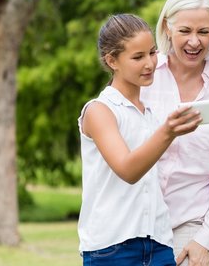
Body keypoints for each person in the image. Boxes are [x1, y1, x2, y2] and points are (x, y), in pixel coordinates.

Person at [78, 14, 202, 265]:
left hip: (158, 244)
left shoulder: (150, 113)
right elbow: (128, 169)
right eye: (138, 57)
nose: (150, 63)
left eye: (152, 52)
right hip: (111, 248)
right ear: (112, 60)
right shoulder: (100, 111)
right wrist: (168, 132)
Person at [141, 0, 209, 266]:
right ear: (166, 28)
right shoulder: (144, 78)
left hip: (192, 226)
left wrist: (206, 240)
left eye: (203, 31)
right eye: (185, 31)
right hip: (136, 223)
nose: (194, 41)